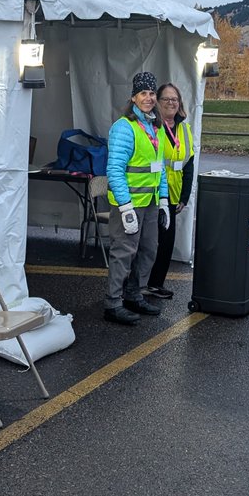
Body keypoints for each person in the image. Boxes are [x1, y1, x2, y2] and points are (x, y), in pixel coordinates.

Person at [103, 72, 170, 324]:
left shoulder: (156, 126)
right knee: (123, 253)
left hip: (150, 203)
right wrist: (125, 206)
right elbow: (114, 170)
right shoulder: (124, 127)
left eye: (152, 93)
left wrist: (163, 200)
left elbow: (159, 166)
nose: (149, 98)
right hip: (129, 204)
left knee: (147, 250)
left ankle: (134, 294)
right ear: (133, 97)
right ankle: (113, 302)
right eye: (143, 93)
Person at [136, 82, 194, 300]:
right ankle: (138, 283)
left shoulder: (184, 129)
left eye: (175, 99)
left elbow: (189, 163)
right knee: (149, 241)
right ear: (157, 103)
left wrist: (184, 196)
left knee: (167, 241)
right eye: (166, 99)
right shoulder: (152, 127)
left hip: (174, 193)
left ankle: (155, 283)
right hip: (152, 192)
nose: (171, 103)